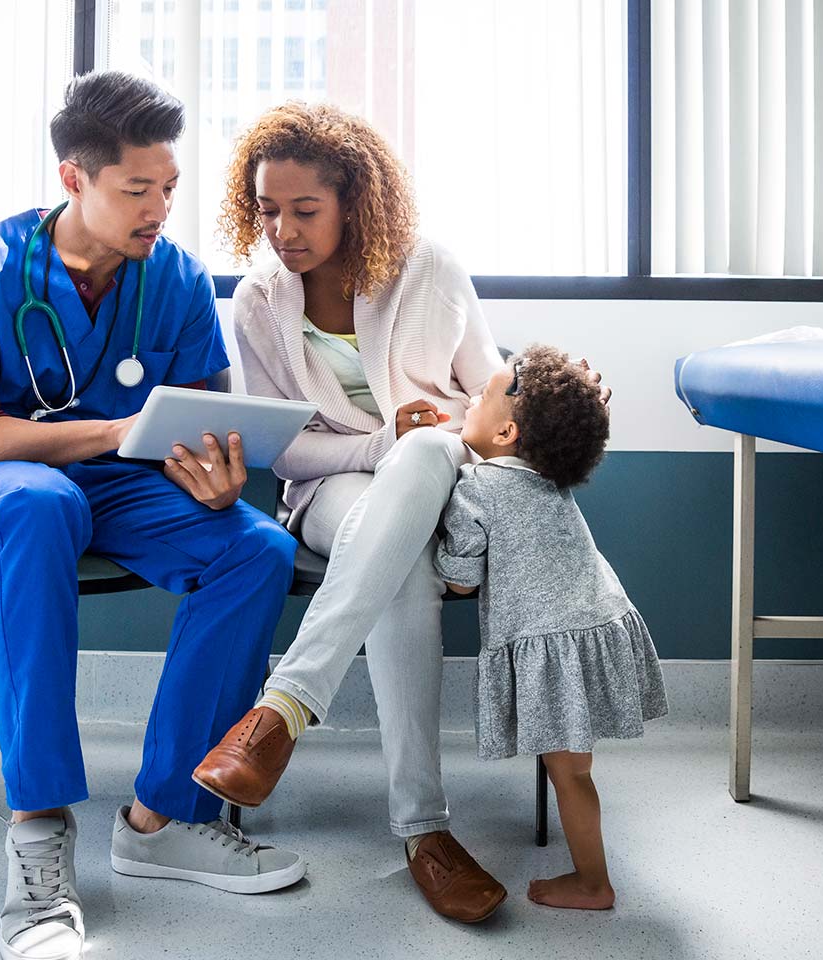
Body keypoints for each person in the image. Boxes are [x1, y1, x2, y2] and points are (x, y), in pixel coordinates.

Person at [0, 71, 306, 960]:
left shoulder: (177, 279)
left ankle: (162, 818)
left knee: (257, 551)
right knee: (39, 506)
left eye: (169, 187)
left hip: (120, 484)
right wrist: (115, 431)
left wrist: (215, 478)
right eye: (137, 189)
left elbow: (202, 420)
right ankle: (39, 829)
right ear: (73, 179)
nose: (159, 207)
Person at [192, 101, 609, 923]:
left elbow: (490, 400)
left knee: (421, 459)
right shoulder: (258, 302)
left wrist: (555, 403)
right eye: (267, 210)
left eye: (304, 210)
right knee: (400, 535)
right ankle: (424, 830)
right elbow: (284, 449)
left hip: (445, 476)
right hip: (328, 490)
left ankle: (281, 711)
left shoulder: (430, 271)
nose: (282, 230)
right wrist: (378, 443)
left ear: (354, 199)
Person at [435, 344, 668, 910]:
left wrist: (436, 538)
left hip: (554, 640)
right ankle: (592, 877)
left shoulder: (477, 489)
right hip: (596, 623)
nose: (470, 399)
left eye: (482, 396)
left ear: (509, 431)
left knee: (571, 777)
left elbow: (461, 580)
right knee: (576, 772)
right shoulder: (549, 476)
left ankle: (593, 883)